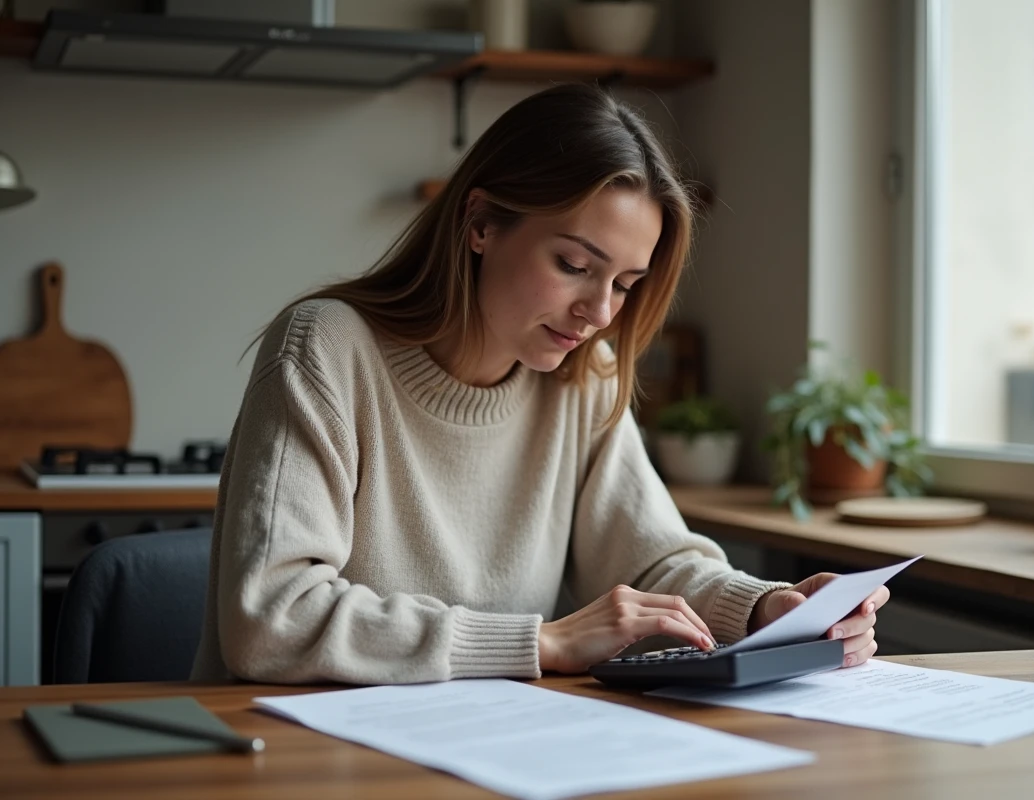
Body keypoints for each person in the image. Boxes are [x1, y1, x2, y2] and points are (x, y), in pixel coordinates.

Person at [190, 83, 887, 685]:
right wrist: (542, 643)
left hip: (486, 744)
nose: (601, 312)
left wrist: (768, 608)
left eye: (624, 283)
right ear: (481, 224)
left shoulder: (584, 378)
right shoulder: (327, 346)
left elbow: (652, 566)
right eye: (575, 264)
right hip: (298, 752)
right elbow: (270, 619)